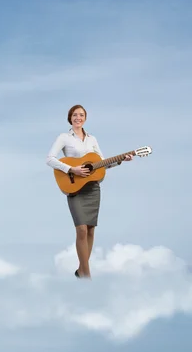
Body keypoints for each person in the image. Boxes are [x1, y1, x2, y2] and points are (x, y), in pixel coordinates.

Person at [46, 104, 133, 279]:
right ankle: (86, 273)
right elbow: (50, 159)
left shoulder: (92, 139)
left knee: (91, 229)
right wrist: (72, 170)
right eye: (75, 115)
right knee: (81, 230)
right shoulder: (64, 137)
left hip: (92, 187)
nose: (78, 118)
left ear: (85, 118)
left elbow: (101, 163)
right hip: (75, 187)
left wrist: (121, 160)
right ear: (70, 118)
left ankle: (81, 269)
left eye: (82, 115)